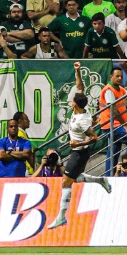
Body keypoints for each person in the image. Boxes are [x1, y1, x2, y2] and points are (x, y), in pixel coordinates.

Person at [48, 63, 112, 229]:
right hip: (77, 151)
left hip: (80, 152)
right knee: (73, 178)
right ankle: (100, 180)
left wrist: (79, 142)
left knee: (66, 182)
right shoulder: (80, 110)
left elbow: (95, 138)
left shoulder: (82, 120)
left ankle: (61, 216)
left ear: (75, 104)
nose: (70, 101)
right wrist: (77, 70)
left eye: (72, 100)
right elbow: (80, 86)